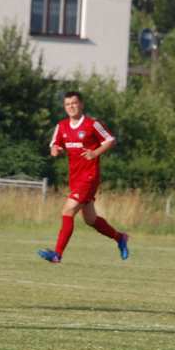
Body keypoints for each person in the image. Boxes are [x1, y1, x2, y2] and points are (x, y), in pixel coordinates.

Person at [38, 91, 128, 263]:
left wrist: (95, 153)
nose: (71, 106)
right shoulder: (62, 126)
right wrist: (55, 150)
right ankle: (120, 238)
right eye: (67, 104)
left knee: (68, 210)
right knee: (90, 219)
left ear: (81, 104)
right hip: (75, 178)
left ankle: (57, 254)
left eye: (74, 103)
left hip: (90, 176)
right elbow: (54, 144)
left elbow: (110, 140)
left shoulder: (92, 124)